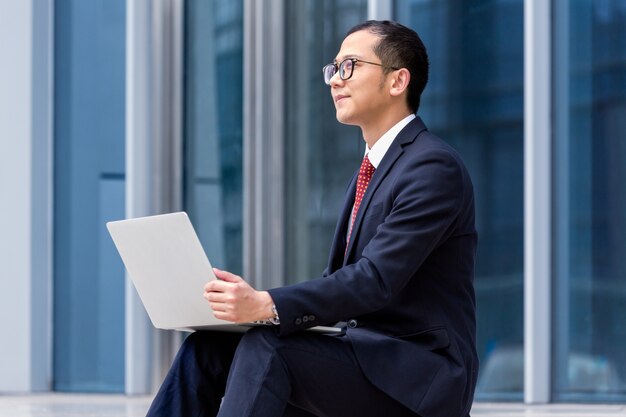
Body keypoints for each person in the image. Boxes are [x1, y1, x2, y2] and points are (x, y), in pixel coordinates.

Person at [146, 20, 478, 417]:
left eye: (350, 66)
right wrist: (252, 309)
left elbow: (375, 280)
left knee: (267, 348)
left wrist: (266, 305)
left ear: (397, 81)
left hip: (415, 376)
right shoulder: (371, 169)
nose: (335, 80)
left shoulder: (432, 167)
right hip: (362, 357)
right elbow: (338, 282)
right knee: (210, 346)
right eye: (333, 68)